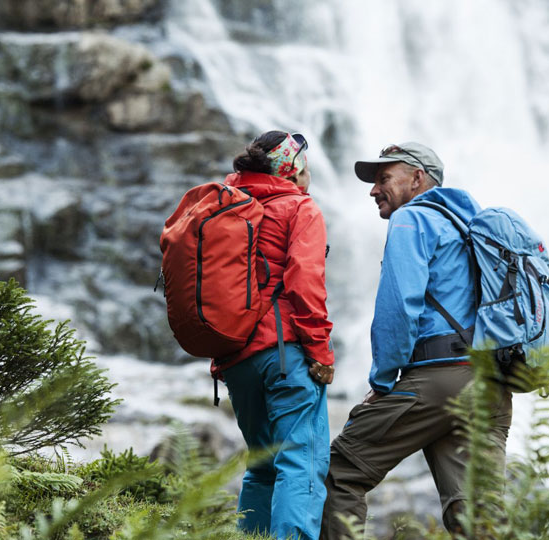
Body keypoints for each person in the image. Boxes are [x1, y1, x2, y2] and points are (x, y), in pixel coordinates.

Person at [320, 142, 512, 538]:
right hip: (489, 383)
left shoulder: (412, 219)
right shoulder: (466, 225)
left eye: (384, 178)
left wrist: (383, 381)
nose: (374, 190)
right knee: (476, 509)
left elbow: (399, 306)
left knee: (341, 470)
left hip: (439, 378)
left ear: (418, 179)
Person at [214, 130, 335, 540]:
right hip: (283, 353)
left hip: (235, 357)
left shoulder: (227, 204)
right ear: (294, 169)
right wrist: (320, 352)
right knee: (301, 460)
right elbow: (305, 283)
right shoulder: (298, 207)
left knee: (263, 465)